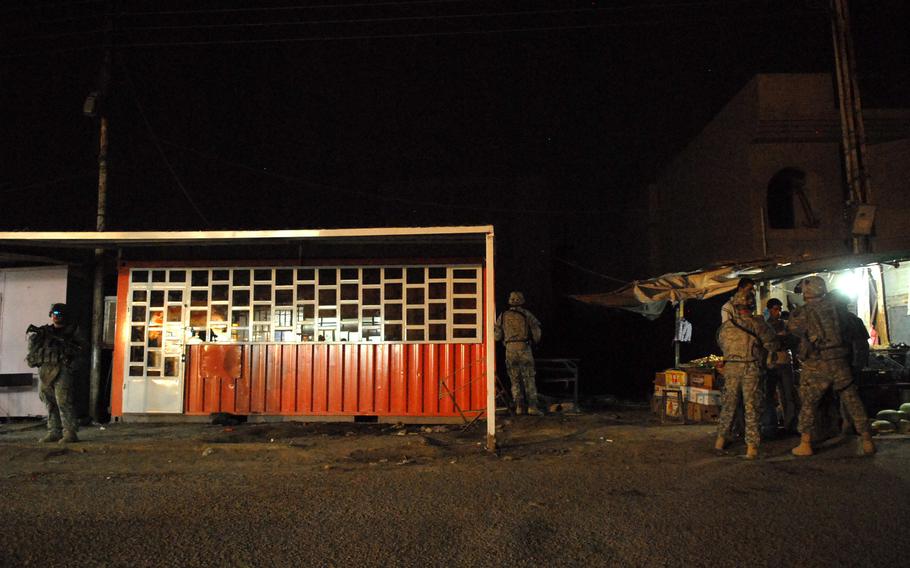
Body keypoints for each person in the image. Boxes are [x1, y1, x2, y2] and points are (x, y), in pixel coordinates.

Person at [786, 276, 875, 456]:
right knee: (852, 400)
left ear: (807, 292)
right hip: (840, 361)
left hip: (817, 363)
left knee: (809, 403)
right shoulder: (838, 310)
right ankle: (867, 439)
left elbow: (793, 329)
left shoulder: (804, 312)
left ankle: (805, 443)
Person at [715, 291, 778, 459]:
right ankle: (751, 448)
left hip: (731, 369)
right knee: (752, 407)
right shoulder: (758, 324)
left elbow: (722, 345)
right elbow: (773, 343)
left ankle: (720, 440)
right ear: (752, 305)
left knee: (729, 405)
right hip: (751, 369)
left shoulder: (726, 326)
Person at [26, 303, 85, 444]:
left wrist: (70, 354)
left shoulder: (72, 332)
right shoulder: (44, 332)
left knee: (63, 401)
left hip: (63, 368)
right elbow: (32, 351)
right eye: (54, 314)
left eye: (59, 314)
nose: (56, 317)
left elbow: (81, 350)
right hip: (45, 369)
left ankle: (70, 432)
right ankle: (54, 431)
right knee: (49, 401)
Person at [494, 291, 542, 415]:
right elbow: (537, 334)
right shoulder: (527, 314)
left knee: (514, 379)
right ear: (522, 301)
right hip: (524, 348)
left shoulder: (503, 315)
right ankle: (532, 407)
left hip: (510, 350)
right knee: (529, 378)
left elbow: (497, 337)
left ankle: (519, 407)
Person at [763, 298, 799, 433]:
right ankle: (770, 426)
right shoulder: (765, 326)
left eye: (779, 309)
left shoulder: (785, 325)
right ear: (769, 310)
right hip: (771, 364)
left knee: (788, 395)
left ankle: (790, 425)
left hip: (784, 362)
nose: (778, 312)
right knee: (769, 396)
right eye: (775, 309)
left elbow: (792, 340)